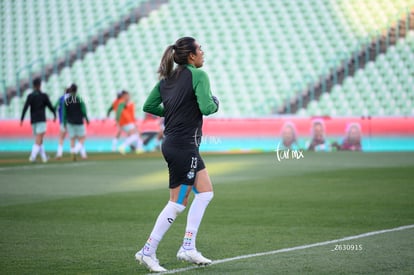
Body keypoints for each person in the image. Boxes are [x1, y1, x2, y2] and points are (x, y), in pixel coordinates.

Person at [135, 37, 219, 272]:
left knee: (205, 193)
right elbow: (206, 107)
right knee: (178, 202)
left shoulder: (167, 79)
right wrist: (216, 103)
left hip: (177, 145)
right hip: (184, 148)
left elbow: (149, 106)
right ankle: (147, 251)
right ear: (191, 56)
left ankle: (188, 247)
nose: (203, 52)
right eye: (200, 49)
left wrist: (173, 110)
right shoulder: (199, 75)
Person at [20, 77, 56, 162]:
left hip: (33, 120)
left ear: (33, 86)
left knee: (40, 139)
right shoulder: (43, 96)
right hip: (41, 119)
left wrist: (22, 119)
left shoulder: (30, 96)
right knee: (39, 138)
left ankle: (44, 157)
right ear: (40, 85)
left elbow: (25, 107)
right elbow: (50, 106)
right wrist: (54, 114)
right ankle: (32, 156)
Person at [63, 83, 89, 161]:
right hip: (79, 121)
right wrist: (87, 119)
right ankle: (76, 151)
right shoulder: (79, 98)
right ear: (76, 90)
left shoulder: (67, 100)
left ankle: (74, 153)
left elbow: (64, 112)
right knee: (82, 138)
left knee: (72, 139)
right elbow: (84, 110)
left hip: (70, 122)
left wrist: (64, 122)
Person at [54, 86, 70, 159]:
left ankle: (59, 154)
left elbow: (54, 107)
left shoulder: (61, 98)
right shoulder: (74, 98)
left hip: (63, 121)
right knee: (76, 137)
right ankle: (80, 153)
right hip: (72, 121)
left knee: (61, 138)